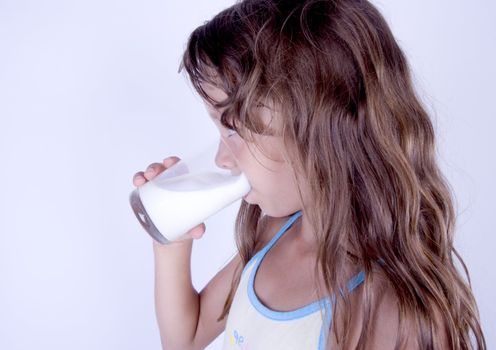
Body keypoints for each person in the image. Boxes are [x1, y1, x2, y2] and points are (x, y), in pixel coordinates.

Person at [132, 0, 486, 349]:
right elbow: (185, 339)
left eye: (235, 132)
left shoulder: (384, 310)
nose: (222, 159)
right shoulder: (274, 234)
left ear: (318, 140)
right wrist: (171, 244)